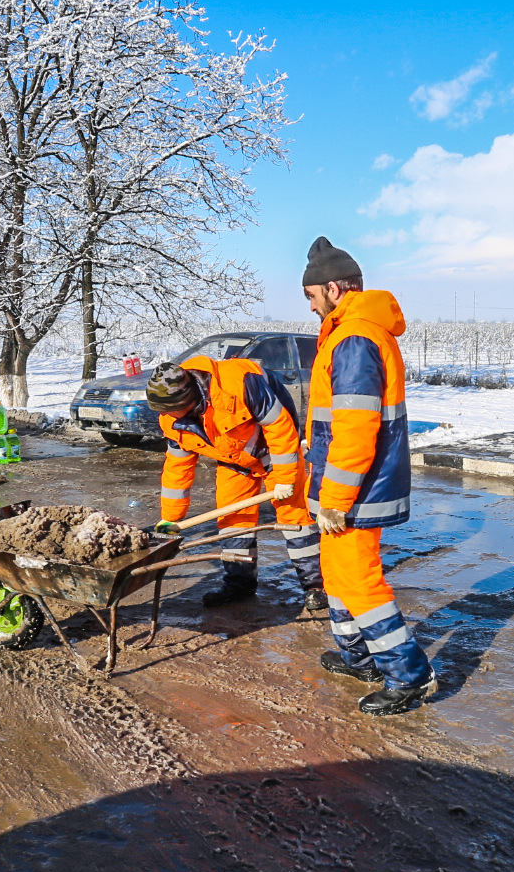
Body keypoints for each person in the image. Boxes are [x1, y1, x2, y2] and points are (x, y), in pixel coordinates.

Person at [301, 237, 436, 716]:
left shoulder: (355, 337)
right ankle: (359, 656)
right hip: (348, 486)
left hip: (358, 490)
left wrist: (334, 497)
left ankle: (409, 675)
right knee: (336, 575)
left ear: (334, 288)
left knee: (359, 581)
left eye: (312, 296)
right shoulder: (348, 332)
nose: (311, 306)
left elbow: (355, 426)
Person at [144, 355, 322, 610]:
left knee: (295, 516)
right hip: (235, 460)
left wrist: (285, 478)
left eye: (169, 410)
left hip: (275, 453)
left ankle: (315, 586)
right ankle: (240, 585)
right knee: (233, 521)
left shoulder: (240, 383)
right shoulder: (172, 420)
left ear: (186, 400)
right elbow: (177, 469)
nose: (165, 416)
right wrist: (171, 517)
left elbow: (280, 427)